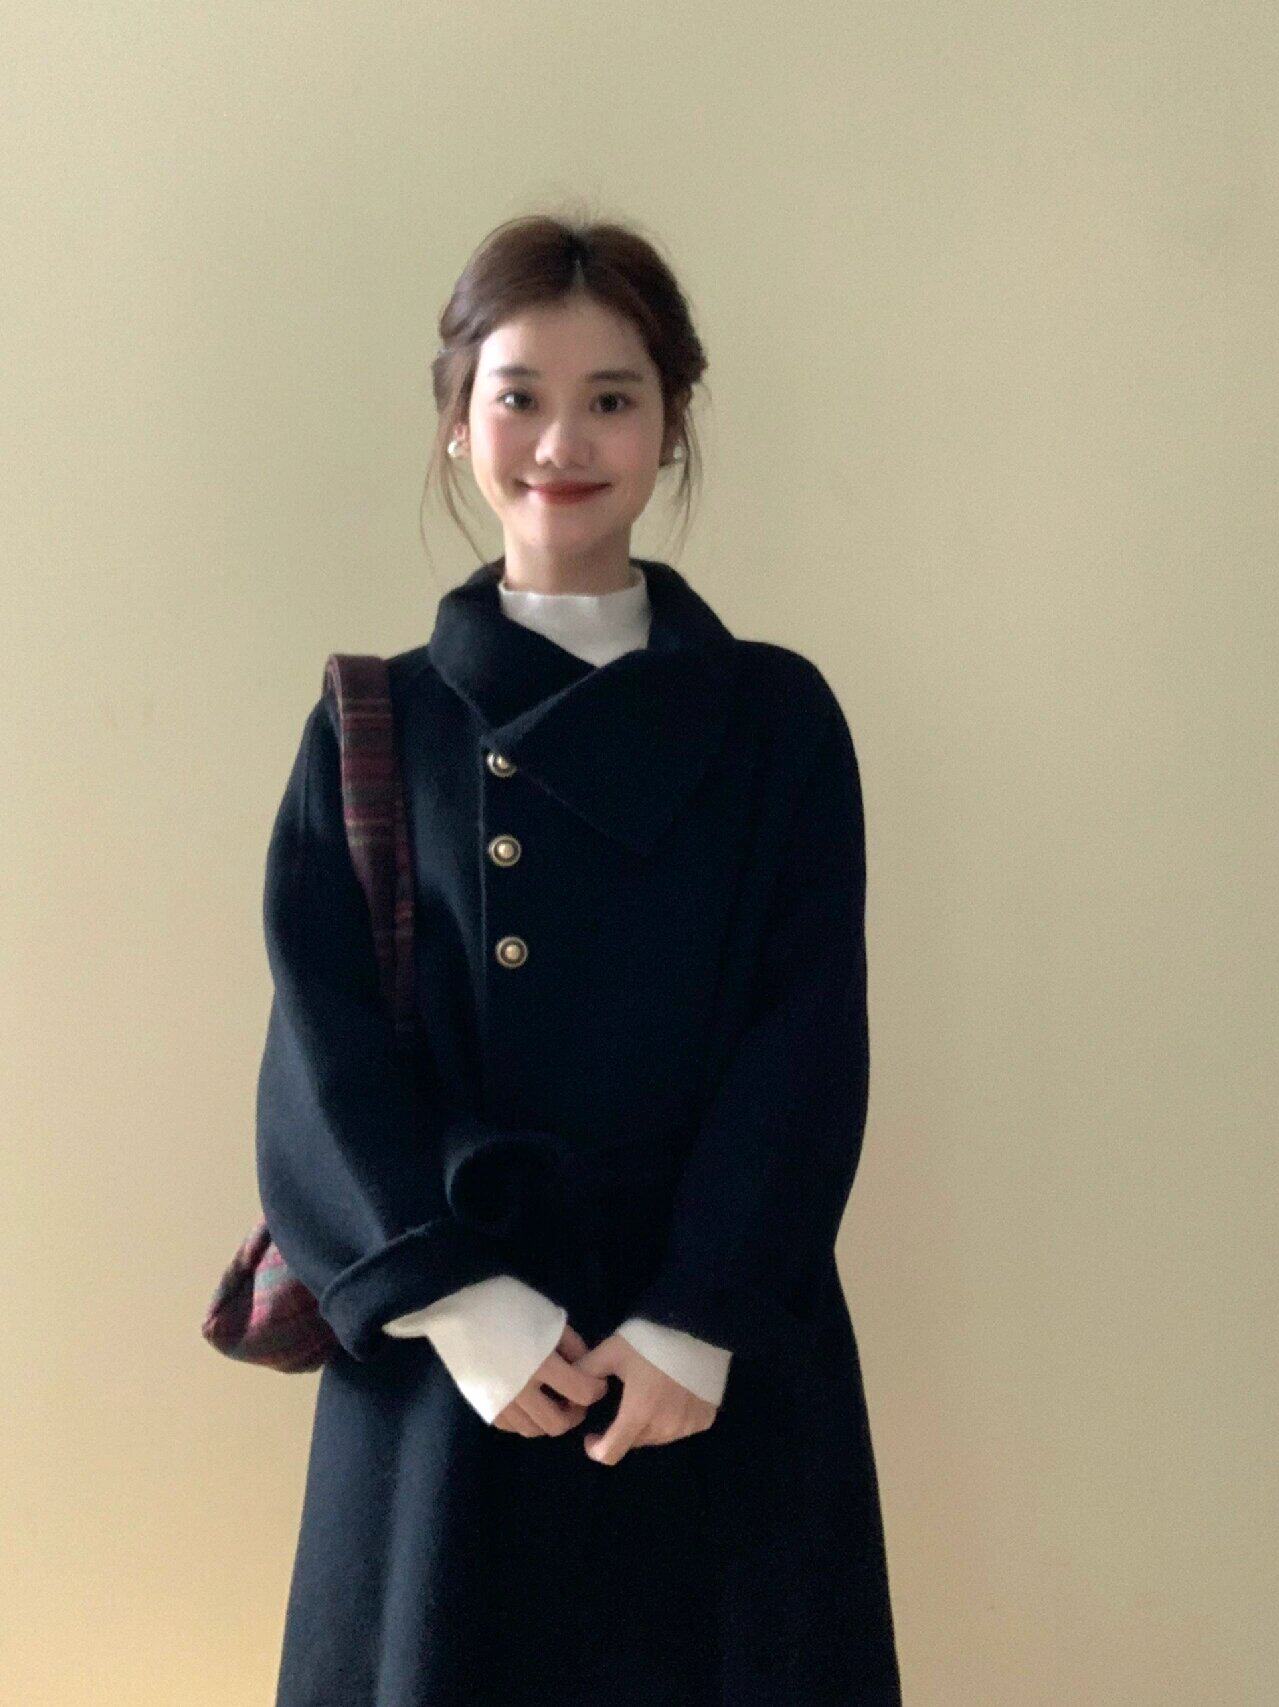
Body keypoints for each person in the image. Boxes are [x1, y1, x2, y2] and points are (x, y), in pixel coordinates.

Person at [256, 212, 902, 1706]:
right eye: (520, 395)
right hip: (458, 1366)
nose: (563, 441)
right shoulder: (377, 723)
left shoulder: (774, 718)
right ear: (457, 419)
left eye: (612, 396)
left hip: (711, 1349)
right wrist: (454, 1297)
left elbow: (809, 1034)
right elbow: (321, 1047)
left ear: (672, 423)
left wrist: (700, 1314)